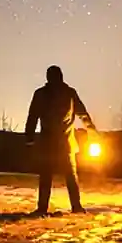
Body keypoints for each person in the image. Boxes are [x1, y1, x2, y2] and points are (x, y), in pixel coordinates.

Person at [23, 64, 96, 215]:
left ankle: (46, 208)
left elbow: (33, 116)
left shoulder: (44, 94)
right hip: (62, 142)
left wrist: (29, 136)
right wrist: (92, 129)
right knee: (67, 175)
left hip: (53, 142)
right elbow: (83, 114)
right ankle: (74, 206)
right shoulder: (67, 93)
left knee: (50, 175)